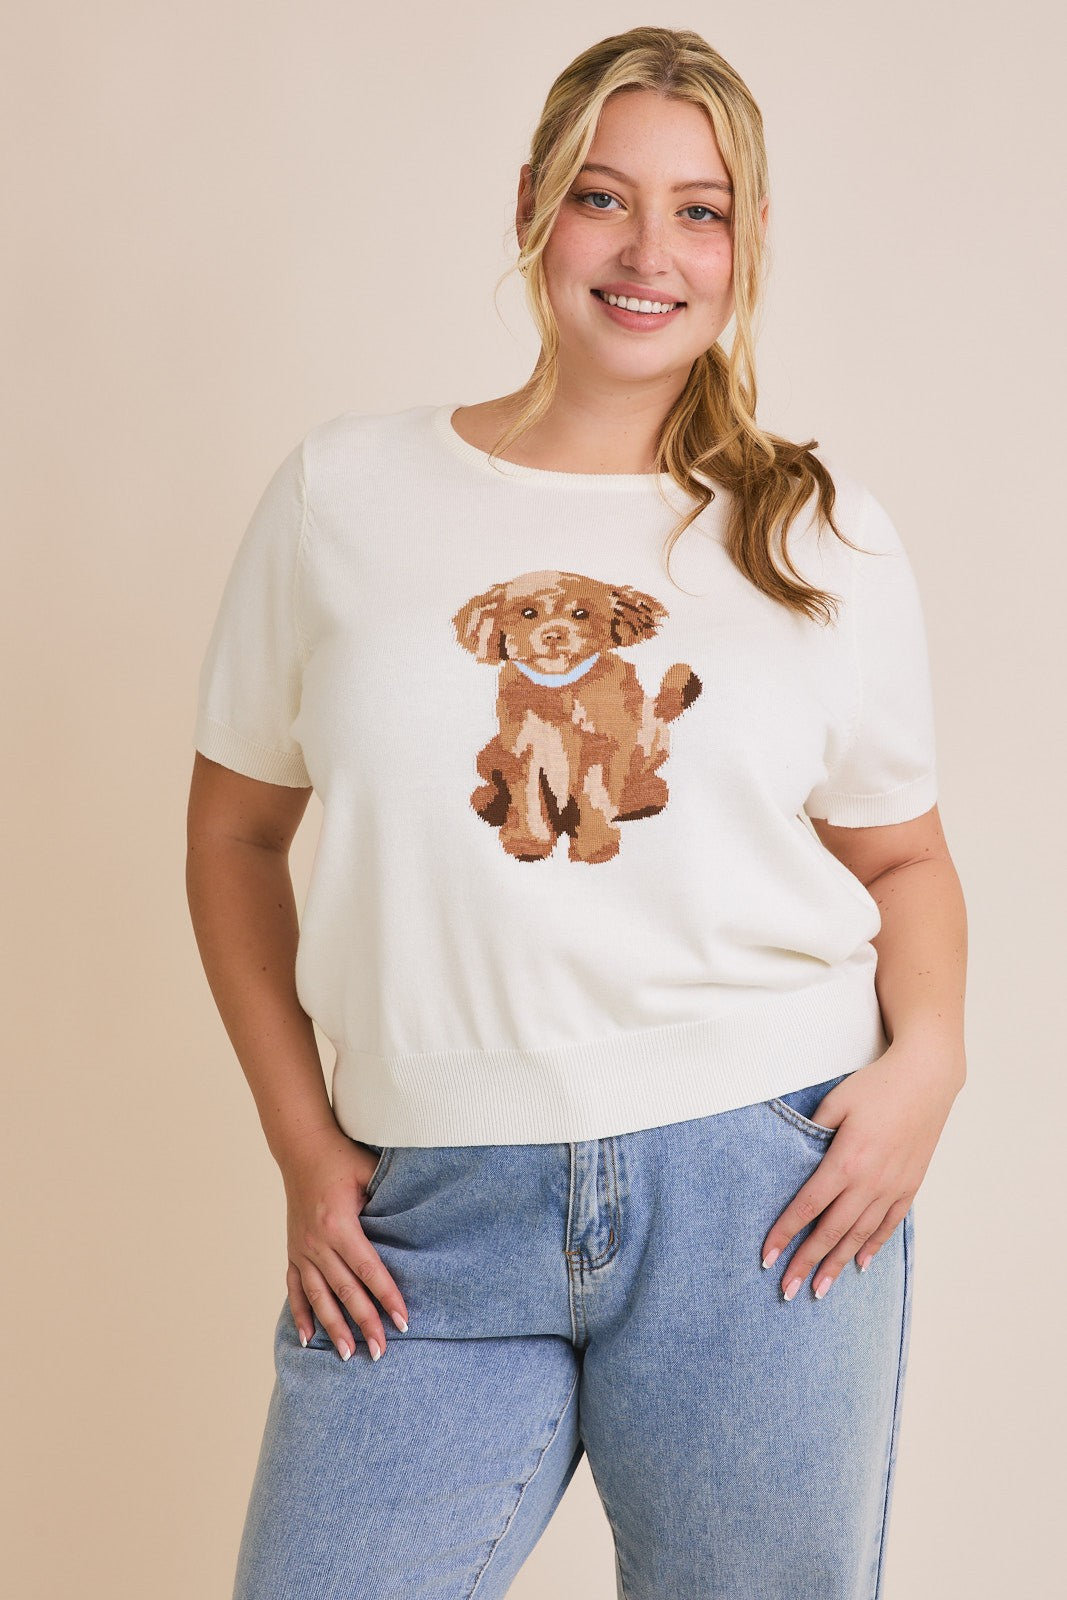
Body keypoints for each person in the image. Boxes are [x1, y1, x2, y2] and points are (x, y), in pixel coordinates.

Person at [185, 24, 967, 1600]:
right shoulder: (344, 494)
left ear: (747, 242)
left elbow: (904, 857)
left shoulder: (816, 533)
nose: (648, 253)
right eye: (605, 197)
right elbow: (234, 838)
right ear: (532, 206)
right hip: (430, 1198)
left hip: (761, 1191)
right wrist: (301, 1144)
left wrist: (930, 1064)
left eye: (700, 211)